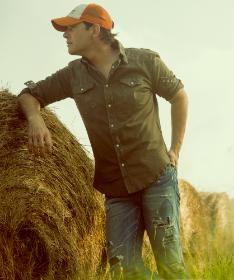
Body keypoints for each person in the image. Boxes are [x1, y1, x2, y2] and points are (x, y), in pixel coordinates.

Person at [17, 3, 188, 279]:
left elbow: (179, 96)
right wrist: (36, 120)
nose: (64, 35)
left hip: (157, 176)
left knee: (171, 266)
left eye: (70, 28)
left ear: (94, 29)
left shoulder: (144, 62)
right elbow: (28, 95)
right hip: (117, 190)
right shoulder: (73, 75)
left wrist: (175, 150)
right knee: (123, 270)